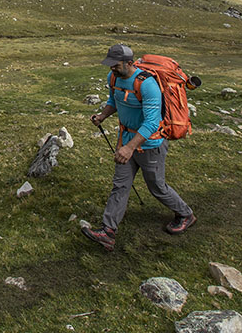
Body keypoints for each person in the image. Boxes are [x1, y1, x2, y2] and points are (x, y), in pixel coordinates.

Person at [81, 43, 195, 251]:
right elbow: (113, 100)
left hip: (150, 145)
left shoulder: (148, 84)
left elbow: (152, 123)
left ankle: (186, 214)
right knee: (120, 185)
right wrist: (102, 116)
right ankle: (108, 232)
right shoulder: (113, 78)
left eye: (115, 65)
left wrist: (129, 148)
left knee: (157, 187)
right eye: (110, 65)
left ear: (129, 63)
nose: (111, 69)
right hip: (126, 141)